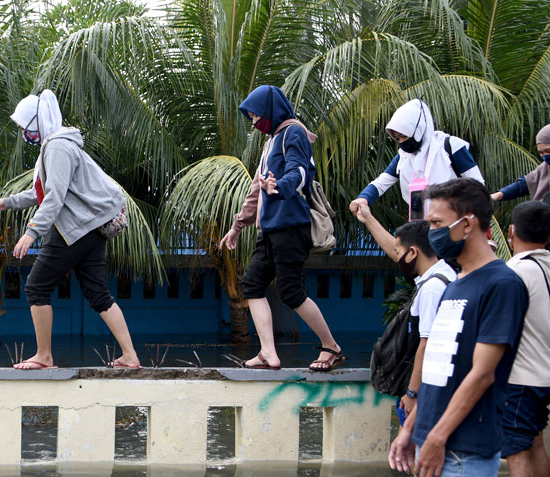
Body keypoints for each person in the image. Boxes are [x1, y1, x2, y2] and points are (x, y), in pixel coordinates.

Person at [389, 178, 528, 477]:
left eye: (437, 222)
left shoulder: (500, 285)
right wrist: (411, 426)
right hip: (432, 437)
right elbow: (438, 371)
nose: (430, 231)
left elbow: (483, 374)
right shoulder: (454, 285)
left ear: (467, 224)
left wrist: (437, 437)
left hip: (463, 444)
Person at [0, 90, 140, 369]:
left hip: (75, 228)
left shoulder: (57, 147)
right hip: (90, 229)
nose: (23, 133)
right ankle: (130, 356)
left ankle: (44, 357)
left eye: (23, 127)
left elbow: (54, 197)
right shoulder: (56, 146)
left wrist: (31, 232)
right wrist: (8, 203)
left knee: (36, 287)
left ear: (36, 122)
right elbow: (39, 192)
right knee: (98, 294)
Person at [220, 85, 343, 371]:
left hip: (291, 225)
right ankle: (267, 353)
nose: (254, 123)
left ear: (271, 110)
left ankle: (331, 347)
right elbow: (256, 189)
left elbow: (299, 172)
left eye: (256, 116)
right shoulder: (270, 142)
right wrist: (238, 226)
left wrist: (280, 186)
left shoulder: (293, 133)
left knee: (291, 291)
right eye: (251, 118)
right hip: (270, 230)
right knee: (251, 284)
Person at [352, 206, 456, 417]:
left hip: (425, 393)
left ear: (413, 253)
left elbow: (426, 344)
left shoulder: (432, 289)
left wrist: (412, 392)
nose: (396, 257)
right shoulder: (445, 275)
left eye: (399, 253)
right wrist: (369, 219)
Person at [350, 99, 484, 220]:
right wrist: (363, 198)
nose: (402, 142)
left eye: (404, 135)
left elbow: (478, 185)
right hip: (422, 229)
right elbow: (381, 183)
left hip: (457, 225)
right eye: (397, 138)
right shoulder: (403, 157)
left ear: (418, 129)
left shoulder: (451, 147)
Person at [500, 201, 550, 477]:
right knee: (535, 443)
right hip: (543, 374)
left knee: (517, 455)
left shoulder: (513, 271)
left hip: (521, 377)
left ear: (512, 232)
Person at [491, 124, 550, 203]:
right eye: (541, 153)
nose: (545, 156)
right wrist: (498, 195)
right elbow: (525, 184)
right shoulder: (546, 168)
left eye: (548, 151)